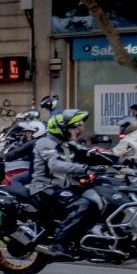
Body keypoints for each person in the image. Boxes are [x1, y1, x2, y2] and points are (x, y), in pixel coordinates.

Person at [30, 108, 100, 258]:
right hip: (44, 188)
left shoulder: (67, 143)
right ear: (62, 128)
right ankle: (58, 243)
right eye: (74, 127)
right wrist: (83, 168)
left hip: (62, 187)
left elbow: (89, 154)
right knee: (82, 204)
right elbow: (55, 165)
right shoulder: (45, 142)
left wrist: (122, 161)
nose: (77, 130)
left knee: (97, 199)